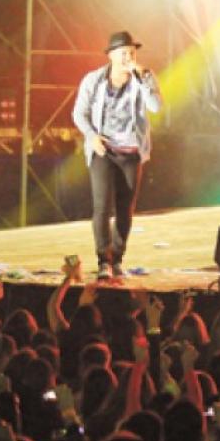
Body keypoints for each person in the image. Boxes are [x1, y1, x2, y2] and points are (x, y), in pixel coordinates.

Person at [72, 30, 163, 280]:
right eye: (123, 53)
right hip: (103, 150)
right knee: (102, 206)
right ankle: (104, 260)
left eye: (132, 53)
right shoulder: (94, 80)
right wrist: (91, 136)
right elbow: (78, 113)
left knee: (125, 209)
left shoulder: (143, 78)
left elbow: (156, 107)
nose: (128, 57)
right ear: (111, 55)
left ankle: (118, 258)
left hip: (131, 152)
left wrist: (144, 78)